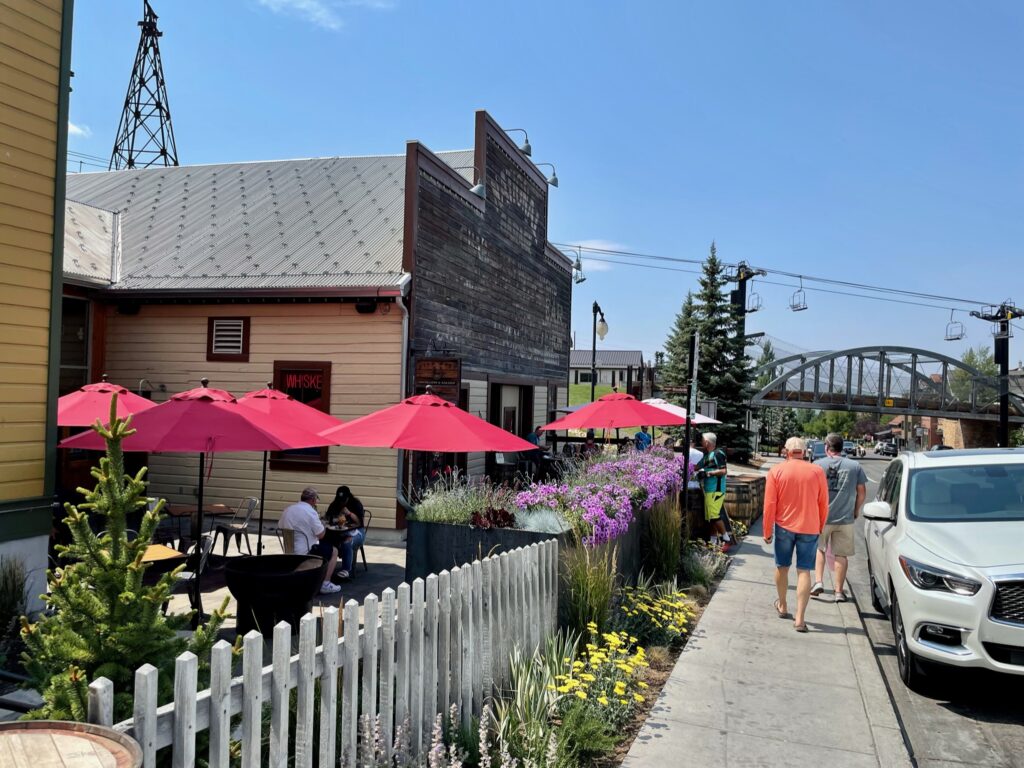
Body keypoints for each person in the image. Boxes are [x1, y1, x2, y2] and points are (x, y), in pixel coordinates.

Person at [763, 437, 829, 632]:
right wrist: (820, 526)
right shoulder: (817, 471)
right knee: (804, 571)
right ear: (805, 452)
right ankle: (800, 618)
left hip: (784, 526)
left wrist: (767, 531)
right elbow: (823, 503)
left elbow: (769, 505)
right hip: (809, 527)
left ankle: (782, 605)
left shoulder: (776, 471)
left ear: (786, 451)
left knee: (782, 567)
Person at [812, 433, 867, 602]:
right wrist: (856, 510)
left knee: (820, 549)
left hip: (822, 517)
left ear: (827, 448)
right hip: (845, 518)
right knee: (841, 555)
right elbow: (862, 493)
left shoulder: (817, 465)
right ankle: (838, 591)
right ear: (842, 448)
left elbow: (812, 492)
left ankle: (818, 582)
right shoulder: (855, 466)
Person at [280, 487, 343, 593]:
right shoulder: (310, 512)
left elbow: (281, 525)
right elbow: (321, 535)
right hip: (306, 552)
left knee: (323, 546)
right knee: (334, 550)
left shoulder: (288, 509)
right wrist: (322, 525)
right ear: (313, 500)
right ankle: (325, 584)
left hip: (289, 550)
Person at [696, 433, 733, 548]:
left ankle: (726, 538)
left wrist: (708, 473)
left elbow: (723, 471)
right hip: (708, 490)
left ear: (707, 442)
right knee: (710, 517)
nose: (701, 442)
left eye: (702, 440)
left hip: (716, 490)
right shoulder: (707, 456)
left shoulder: (718, 454)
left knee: (714, 516)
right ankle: (713, 541)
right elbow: (696, 467)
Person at [326, 485, 367, 576]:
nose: (342, 502)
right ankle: (325, 567)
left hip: (357, 531)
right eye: (340, 499)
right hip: (339, 531)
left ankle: (346, 570)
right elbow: (329, 517)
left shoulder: (356, 503)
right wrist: (336, 518)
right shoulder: (335, 504)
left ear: (348, 497)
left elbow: (360, 522)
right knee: (326, 539)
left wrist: (349, 513)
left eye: (344, 500)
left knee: (347, 541)